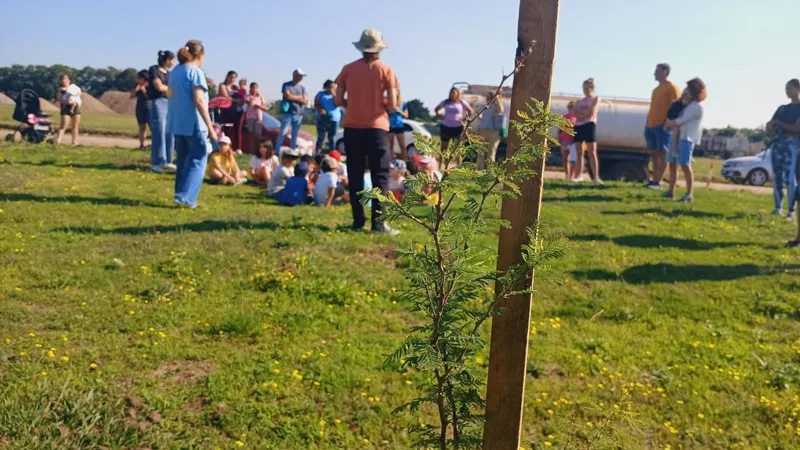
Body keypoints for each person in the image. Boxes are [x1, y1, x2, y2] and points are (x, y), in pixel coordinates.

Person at [335, 29, 400, 235]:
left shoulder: (347, 69)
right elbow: (392, 103)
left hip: (352, 127)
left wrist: (352, 104)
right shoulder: (386, 70)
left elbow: (337, 100)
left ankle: (357, 221)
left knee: (354, 174)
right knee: (379, 176)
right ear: (378, 49)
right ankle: (378, 224)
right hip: (377, 128)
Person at [166, 40, 218, 209]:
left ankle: (179, 194)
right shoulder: (196, 72)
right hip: (195, 123)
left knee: (182, 160)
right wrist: (210, 127)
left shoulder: (175, 71)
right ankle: (187, 198)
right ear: (200, 55)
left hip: (177, 122)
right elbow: (199, 100)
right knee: (198, 159)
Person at [663, 78, 707, 203]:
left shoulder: (697, 107)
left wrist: (669, 124)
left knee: (685, 164)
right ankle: (670, 191)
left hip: (686, 138)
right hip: (676, 135)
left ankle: (689, 194)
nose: (686, 90)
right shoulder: (686, 104)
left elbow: (681, 120)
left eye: (688, 88)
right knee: (672, 163)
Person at [643, 64, 682, 189]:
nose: (654, 73)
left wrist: (668, 122)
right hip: (651, 125)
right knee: (654, 153)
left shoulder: (672, 87)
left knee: (662, 152)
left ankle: (658, 181)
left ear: (665, 72)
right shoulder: (656, 89)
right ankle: (654, 179)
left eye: (657, 71)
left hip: (663, 126)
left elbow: (676, 107)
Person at [767, 79, 800, 222]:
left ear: (798, 89)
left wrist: (777, 123)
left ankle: (791, 210)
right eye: (786, 89)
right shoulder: (782, 108)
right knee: (777, 177)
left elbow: (796, 128)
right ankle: (778, 207)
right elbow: (770, 125)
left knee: (790, 178)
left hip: (792, 144)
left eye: (790, 88)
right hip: (778, 144)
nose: (787, 91)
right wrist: (770, 128)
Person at [573, 78, 602, 184]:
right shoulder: (579, 101)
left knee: (592, 152)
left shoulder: (596, 99)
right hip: (578, 125)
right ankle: (578, 175)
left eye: (587, 88)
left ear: (592, 88)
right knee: (579, 151)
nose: (585, 90)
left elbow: (592, 110)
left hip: (589, 124)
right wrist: (583, 114)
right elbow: (574, 113)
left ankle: (596, 177)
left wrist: (582, 114)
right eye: (584, 88)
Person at [435, 87, 473, 160]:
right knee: (443, 147)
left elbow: (470, 110)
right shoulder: (446, 102)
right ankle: (440, 165)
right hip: (446, 126)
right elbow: (436, 109)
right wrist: (440, 116)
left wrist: (465, 119)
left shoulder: (461, 102)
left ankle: (458, 165)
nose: (452, 94)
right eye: (451, 93)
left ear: (457, 94)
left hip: (458, 127)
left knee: (457, 147)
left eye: (454, 93)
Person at [278, 69, 309, 149]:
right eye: (300, 76)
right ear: (295, 76)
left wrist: (294, 97)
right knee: (283, 132)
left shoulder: (303, 88)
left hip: (299, 113)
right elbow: (288, 96)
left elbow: (305, 100)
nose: (301, 78)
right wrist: (300, 97)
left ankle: (292, 150)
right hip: (288, 112)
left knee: (295, 134)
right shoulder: (286, 85)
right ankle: (277, 149)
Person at [476, 92, 505, 170]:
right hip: (483, 131)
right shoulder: (483, 107)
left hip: (494, 132)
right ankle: (479, 170)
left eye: (491, 97)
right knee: (480, 152)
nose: (489, 99)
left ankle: (490, 171)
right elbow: (479, 116)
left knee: (491, 152)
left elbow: (501, 110)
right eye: (488, 97)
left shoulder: (496, 107)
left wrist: (497, 98)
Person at [55, 73, 82, 146]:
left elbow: (79, 92)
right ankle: (58, 141)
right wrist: (67, 101)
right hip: (66, 108)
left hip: (76, 107)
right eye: (62, 79)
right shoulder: (61, 90)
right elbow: (60, 99)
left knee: (75, 126)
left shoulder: (74, 87)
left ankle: (74, 141)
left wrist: (73, 96)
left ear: (69, 80)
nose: (64, 81)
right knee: (63, 126)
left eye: (65, 79)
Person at [315, 80, 341, 153]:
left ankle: (332, 153)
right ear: (326, 87)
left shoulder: (337, 95)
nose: (332, 88)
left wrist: (334, 95)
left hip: (334, 119)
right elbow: (316, 104)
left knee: (332, 138)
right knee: (321, 137)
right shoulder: (320, 94)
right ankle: (317, 152)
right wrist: (321, 110)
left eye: (334, 87)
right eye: (331, 87)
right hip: (322, 118)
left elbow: (339, 103)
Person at [246, 82, 268, 151]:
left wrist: (259, 106)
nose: (254, 90)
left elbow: (265, 108)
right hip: (250, 117)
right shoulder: (248, 96)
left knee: (258, 134)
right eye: (252, 88)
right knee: (251, 134)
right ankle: (252, 150)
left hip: (258, 117)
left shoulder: (261, 97)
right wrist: (253, 97)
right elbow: (249, 103)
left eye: (255, 88)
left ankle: (259, 149)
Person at [388, 90, 409, 161]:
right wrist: (389, 111)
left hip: (399, 126)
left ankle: (405, 161)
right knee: (390, 146)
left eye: (395, 91)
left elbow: (406, 115)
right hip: (390, 125)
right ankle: (390, 162)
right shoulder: (388, 102)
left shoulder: (403, 103)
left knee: (402, 146)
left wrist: (399, 111)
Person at [131, 70, 150, 150]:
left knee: (153, 128)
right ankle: (141, 145)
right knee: (142, 127)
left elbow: (149, 96)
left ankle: (155, 145)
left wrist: (144, 90)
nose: (137, 79)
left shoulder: (150, 85)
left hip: (149, 108)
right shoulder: (137, 86)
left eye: (139, 78)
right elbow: (131, 96)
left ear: (144, 78)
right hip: (139, 108)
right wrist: (136, 90)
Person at [559, 102, 578, 180]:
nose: (570, 108)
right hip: (565, 140)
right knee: (565, 158)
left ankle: (571, 175)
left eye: (572, 107)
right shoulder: (564, 117)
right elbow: (560, 130)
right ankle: (567, 175)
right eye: (569, 107)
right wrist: (560, 142)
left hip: (573, 141)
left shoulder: (577, 118)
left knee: (573, 159)